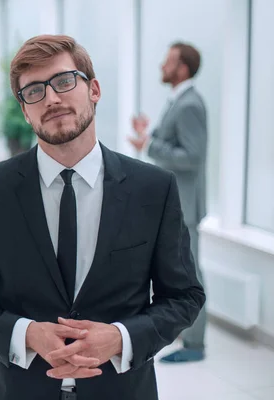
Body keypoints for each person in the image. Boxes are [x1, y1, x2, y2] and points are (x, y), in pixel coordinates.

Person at [0, 35, 205, 400]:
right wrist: (26, 334)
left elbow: (185, 295)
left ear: (93, 89)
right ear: (24, 111)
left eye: (64, 82)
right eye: (34, 91)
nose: (51, 98)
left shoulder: (153, 188)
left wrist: (121, 339)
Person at [129, 42, 208, 363]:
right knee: (177, 272)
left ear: (183, 68)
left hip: (186, 206)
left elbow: (192, 156)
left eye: (169, 61)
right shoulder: (178, 100)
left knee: (191, 276)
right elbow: (171, 145)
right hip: (175, 203)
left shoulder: (190, 104)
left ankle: (195, 345)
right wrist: (149, 137)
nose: (162, 64)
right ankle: (185, 334)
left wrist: (149, 143)